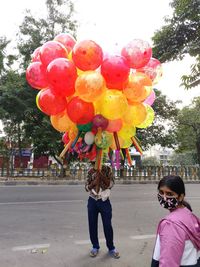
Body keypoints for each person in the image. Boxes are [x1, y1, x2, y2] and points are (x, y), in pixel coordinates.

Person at [151, 175, 200, 267]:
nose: (164, 198)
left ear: (181, 197)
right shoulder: (188, 213)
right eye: (161, 192)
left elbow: (168, 263)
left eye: (169, 194)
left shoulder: (171, 225)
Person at [85, 164, 120, 259]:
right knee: (92, 224)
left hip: (104, 201)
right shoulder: (90, 171)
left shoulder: (107, 169)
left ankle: (111, 248)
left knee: (107, 225)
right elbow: (86, 188)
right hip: (92, 200)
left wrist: (101, 175)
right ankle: (95, 247)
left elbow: (111, 184)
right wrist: (93, 183)